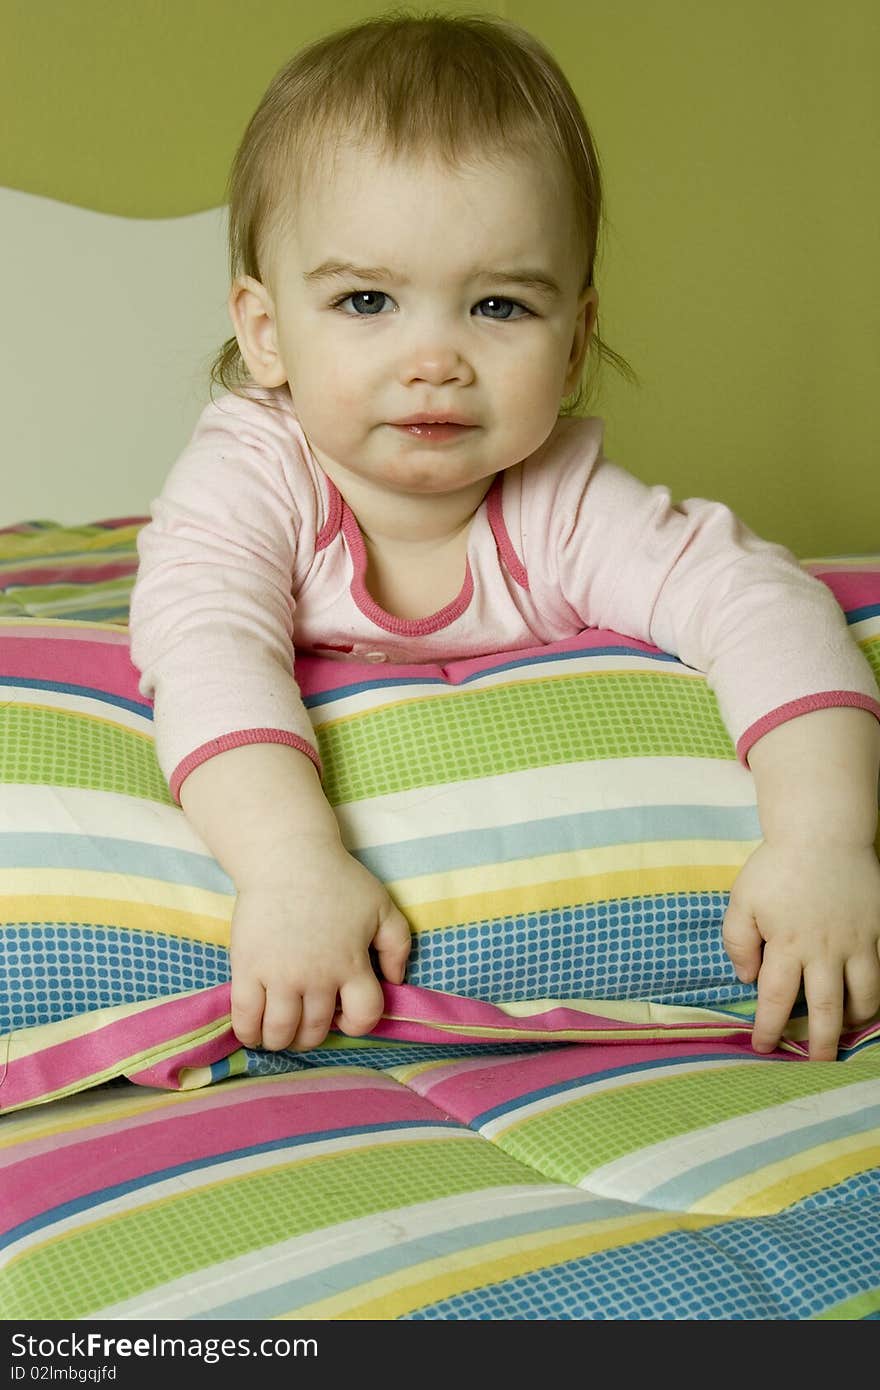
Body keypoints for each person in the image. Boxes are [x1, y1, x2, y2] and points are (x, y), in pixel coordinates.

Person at [129, 9, 880, 1063]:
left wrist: (821, 842)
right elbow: (205, 641)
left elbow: (763, 603)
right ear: (265, 333)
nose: (434, 357)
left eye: (497, 306)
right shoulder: (253, 477)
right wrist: (291, 866)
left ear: (573, 343)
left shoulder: (560, 502)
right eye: (367, 299)